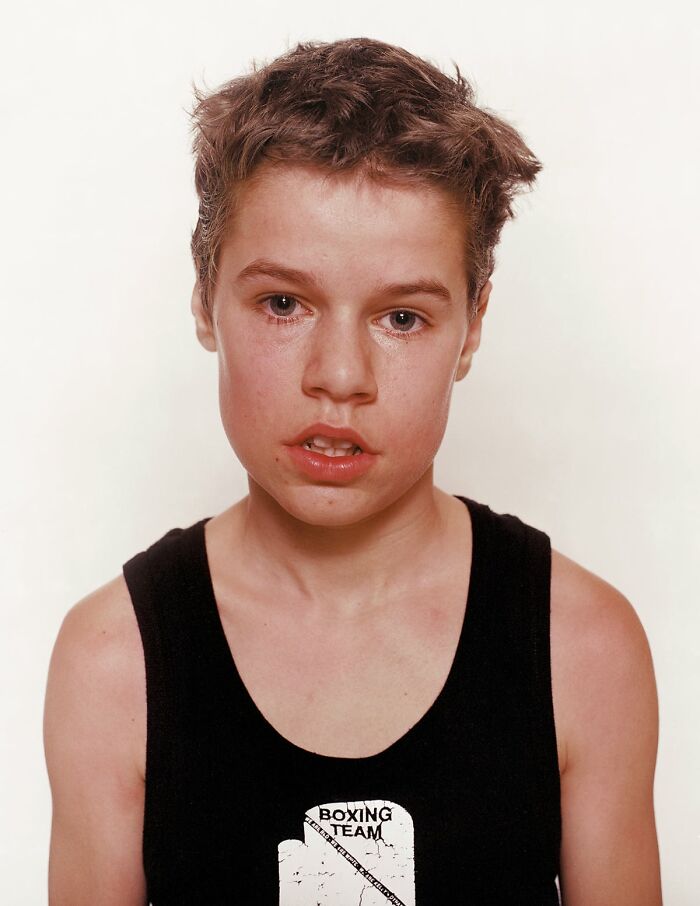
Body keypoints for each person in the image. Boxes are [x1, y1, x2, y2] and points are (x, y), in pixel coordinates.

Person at [43, 37, 662, 905]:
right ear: (203, 295)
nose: (339, 375)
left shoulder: (581, 647)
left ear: (473, 324)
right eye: (284, 303)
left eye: (402, 317)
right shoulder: (114, 664)